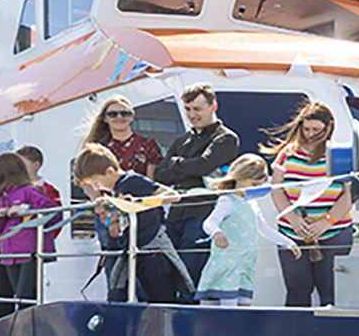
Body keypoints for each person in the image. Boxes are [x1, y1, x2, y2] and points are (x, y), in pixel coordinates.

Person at [74, 143, 192, 304]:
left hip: (152, 250)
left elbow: (172, 195)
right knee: (134, 294)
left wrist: (140, 201)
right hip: (135, 248)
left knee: (161, 297)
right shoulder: (117, 188)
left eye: (96, 182)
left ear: (109, 171)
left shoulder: (132, 181)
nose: (96, 187)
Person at [152, 83, 241, 293]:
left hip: (204, 213)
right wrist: (190, 166)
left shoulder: (226, 138)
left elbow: (205, 165)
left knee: (191, 276)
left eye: (197, 109)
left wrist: (176, 163)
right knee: (168, 272)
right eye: (188, 109)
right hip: (176, 214)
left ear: (213, 106)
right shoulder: (182, 140)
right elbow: (160, 175)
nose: (192, 114)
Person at [266, 101, 355, 307]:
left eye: (316, 129)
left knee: (330, 294)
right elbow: (276, 189)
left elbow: (348, 195)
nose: (310, 134)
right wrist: (293, 219)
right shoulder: (288, 153)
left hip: (333, 231)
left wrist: (326, 222)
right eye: (306, 129)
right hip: (293, 231)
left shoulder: (338, 153)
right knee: (297, 291)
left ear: (329, 126)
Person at [197, 154, 281, 307]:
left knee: (244, 307)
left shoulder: (251, 202)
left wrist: (288, 243)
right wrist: (217, 232)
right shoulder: (227, 200)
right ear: (240, 178)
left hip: (245, 266)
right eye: (254, 184)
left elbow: (263, 228)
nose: (257, 189)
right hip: (227, 268)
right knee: (228, 310)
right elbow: (209, 223)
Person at [0, 153, 61, 316]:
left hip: (28, 252)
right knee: (16, 298)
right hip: (9, 254)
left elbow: (54, 213)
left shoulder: (29, 191)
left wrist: (26, 210)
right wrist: (0, 216)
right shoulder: (4, 197)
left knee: (25, 297)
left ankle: (25, 329)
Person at [86, 95, 164, 178]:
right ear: (105, 118)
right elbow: (91, 183)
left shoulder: (148, 145)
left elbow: (152, 181)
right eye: (112, 114)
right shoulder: (99, 150)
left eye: (125, 113)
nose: (119, 117)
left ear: (131, 117)